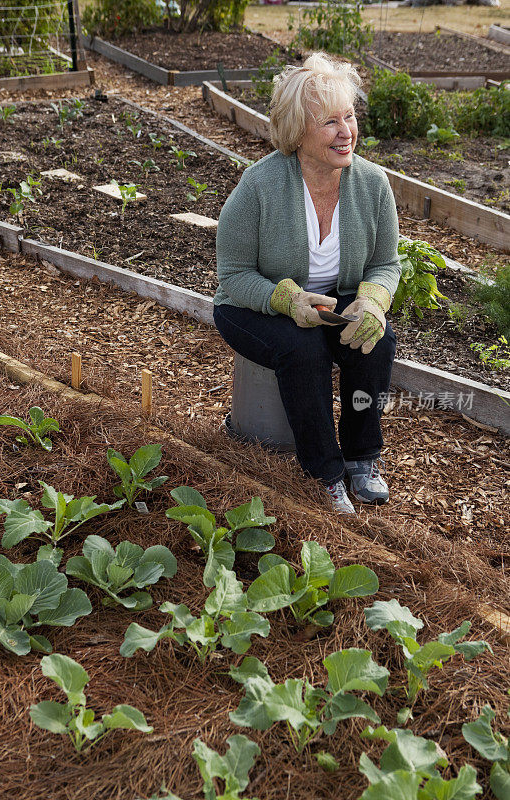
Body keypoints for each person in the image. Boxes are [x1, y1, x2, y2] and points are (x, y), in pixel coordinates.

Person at [213, 52, 401, 515]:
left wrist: (373, 301)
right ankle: (325, 473)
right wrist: (285, 297)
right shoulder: (259, 186)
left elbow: (386, 264)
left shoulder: (373, 184)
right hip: (252, 304)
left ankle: (362, 457)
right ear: (298, 131)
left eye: (350, 117)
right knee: (303, 351)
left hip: (331, 300)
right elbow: (234, 276)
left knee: (375, 342)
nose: (346, 131)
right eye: (330, 122)